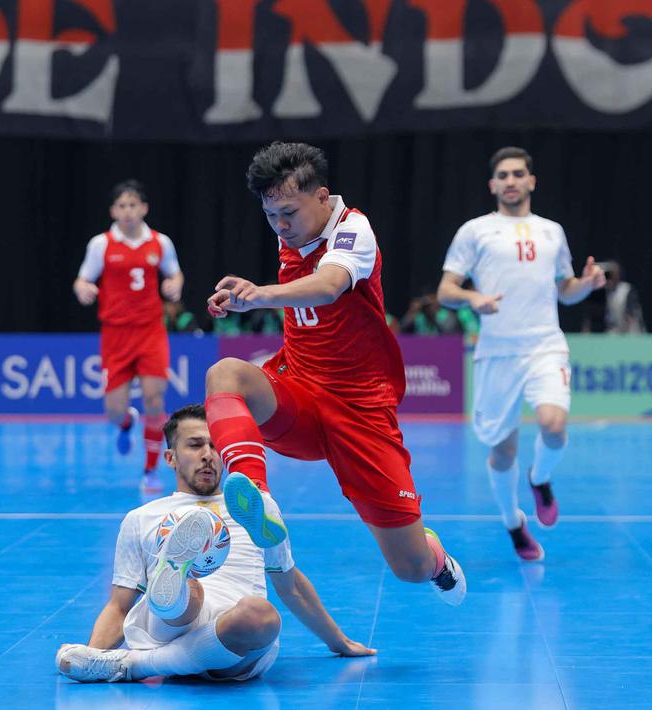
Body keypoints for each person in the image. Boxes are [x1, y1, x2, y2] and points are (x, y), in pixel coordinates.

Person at [201, 141, 467, 606]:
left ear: (323, 197)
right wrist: (244, 296)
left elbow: (327, 286)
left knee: (409, 570)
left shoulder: (354, 230)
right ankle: (255, 495)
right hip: (299, 391)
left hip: (359, 411)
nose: (281, 226)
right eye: (270, 216)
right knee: (226, 374)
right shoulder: (290, 229)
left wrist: (257, 295)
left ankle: (435, 558)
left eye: (288, 212)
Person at [55, 405, 374, 682]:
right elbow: (119, 605)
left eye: (215, 445)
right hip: (171, 622)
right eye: (195, 445)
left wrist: (339, 641)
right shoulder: (141, 518)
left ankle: (135, 665)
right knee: (190, 591)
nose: (208, 454)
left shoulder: (255, 507)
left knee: (260, 615)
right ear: (170, 458)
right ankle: (177, 586)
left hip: (235, 634)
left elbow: (290, 585)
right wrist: (91, 654)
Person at [437, 146, 606, 563]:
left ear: (531, 181)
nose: (511, 181)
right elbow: (446, 290)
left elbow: (565, 289)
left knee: (553, 424)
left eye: (518, 174)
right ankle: (513, 522)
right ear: (493, 185)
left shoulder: (552, 231)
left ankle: (540, 478)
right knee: (502, 451)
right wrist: (473, 297)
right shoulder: (475, 231)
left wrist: (586, 285)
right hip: (497, 354)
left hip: (545, 345)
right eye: (503, 176)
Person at [74, 180, 185, 493]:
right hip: (116, 335)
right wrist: (83, 288)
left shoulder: (160, 242)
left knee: (154, 398)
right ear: (113, 211)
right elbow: (83, 279)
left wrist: (174, 284)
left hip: (150, 331)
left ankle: (150, 470)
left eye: (133, 205)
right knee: (113, 412)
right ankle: (126, 423)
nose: (127, 211)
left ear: (144, 209)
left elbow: (174, 272)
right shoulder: (102, 244)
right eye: (121, 206)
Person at [601, 261, 645, 334]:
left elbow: (632, 314)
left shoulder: (626, 289)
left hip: (631, 329)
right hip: (615, 330)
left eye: (613, 274)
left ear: (618, 274)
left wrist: (625, 331)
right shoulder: (605, 291)